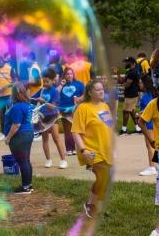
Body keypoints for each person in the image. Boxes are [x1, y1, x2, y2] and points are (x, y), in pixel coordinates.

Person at [71, 80, 114, 217]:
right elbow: (76, 132)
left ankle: (98, 205)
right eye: (97, 90)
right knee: (102, 176)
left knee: (106, 178)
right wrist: (84, 150)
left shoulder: (105, 106)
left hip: (105, 149)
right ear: (90, 92)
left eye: (102, 89)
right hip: (90, 150)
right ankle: (90, 204)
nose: (101, 91)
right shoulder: (83, 108)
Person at [33, 68, 68, 169]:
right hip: (43, 117)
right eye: (43, 81)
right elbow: (33, 99)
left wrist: (44, 102)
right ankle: (48, 160)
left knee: (56, 138)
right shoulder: (41, 90)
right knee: (45, 139)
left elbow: (53, 106)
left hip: (53, 117)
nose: (45, 83)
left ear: (53, 80)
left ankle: (63, 160)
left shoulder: (55, 92)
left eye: (47, 81)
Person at [4, 84, 35, 194]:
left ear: (15, 94)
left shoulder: (17, 107)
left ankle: (25, 187)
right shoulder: (28, 105)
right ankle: (28, 185)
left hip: (19, 136)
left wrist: (8, 138)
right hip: (28, 134)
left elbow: (16, 125)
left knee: (22, 161)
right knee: (26, 160)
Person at [0, 54, 18, 141]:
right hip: (0, 96)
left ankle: (11, 132)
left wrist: (6, 87)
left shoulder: (10, 68)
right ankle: (3, 132)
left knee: (10, 113)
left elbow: (15, 81)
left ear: (3, 60)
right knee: (2, 115)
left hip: (9, 95)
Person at [58, 67, 85, 154]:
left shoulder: (79, 84)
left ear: (73, 75)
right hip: (64, 110)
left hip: (76, 109)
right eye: (67, 74)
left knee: (77, 129)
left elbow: (85, 94)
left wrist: (79, 99)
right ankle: (69, 149)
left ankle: (78, 147)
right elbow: (55, 94)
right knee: (67, 130)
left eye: (71, 73)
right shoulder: (61, 85)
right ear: (64, 75)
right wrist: (61, 85)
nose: (69, 76)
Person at [138, 74, 158, 176]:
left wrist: (140, 114)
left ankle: (152, 167)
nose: (139, 84)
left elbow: (146, 110)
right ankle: (157, 164)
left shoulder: (146, 96)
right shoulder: (154, 93)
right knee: (156, 144)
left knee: (150, 145)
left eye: (140, 82)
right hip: (156, 123)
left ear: (145, 83)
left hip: (148, 123)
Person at [116, 57, 141, 135]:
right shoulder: (129, 72)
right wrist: (118, 73)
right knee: (131, 111)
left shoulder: (133, 72)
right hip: (130, 95)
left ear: (132, 63)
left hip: (131, 95)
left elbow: (126, 85)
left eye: (127, 62)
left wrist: (122, 84)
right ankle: (138, 128)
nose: (125, 64)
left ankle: (124, 130)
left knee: (125, 111)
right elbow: (122, 81)